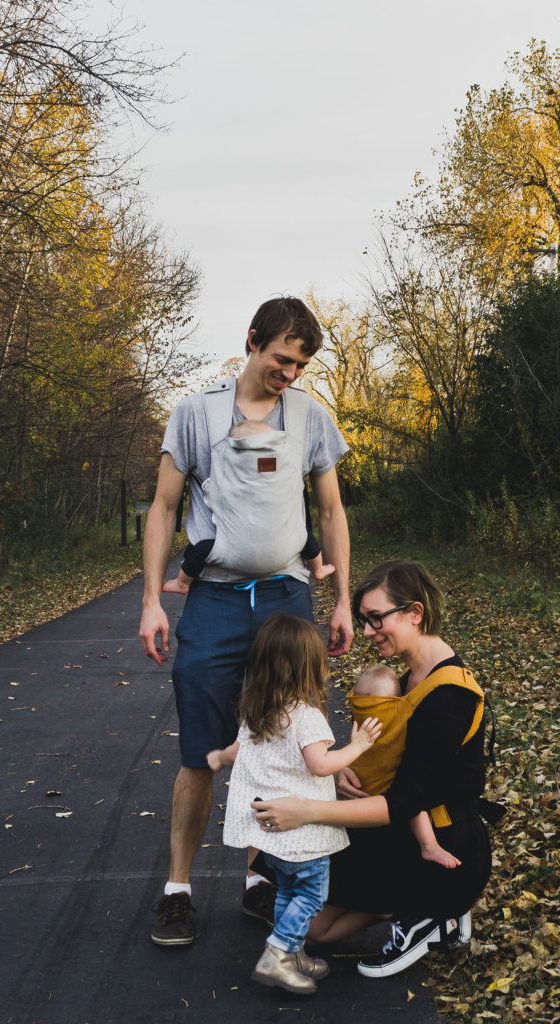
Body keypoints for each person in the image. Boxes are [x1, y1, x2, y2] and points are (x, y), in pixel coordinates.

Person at [139, 296, 354, 947]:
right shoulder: (195, 413)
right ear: (253, 341)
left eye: (299, 365)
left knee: (287, 744)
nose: (288, 374)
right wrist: (152, 599)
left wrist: (342, 596)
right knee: (201, 750)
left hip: (287, 601)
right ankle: (178, 891)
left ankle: (264, 879)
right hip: (216, 601)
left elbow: (332, 511)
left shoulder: (310, 416)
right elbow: (163, 505)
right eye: (280, 359)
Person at [252, 559, 500, 978]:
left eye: (375, 619)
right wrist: (337, 772)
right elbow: (380, 757)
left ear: (415, 613)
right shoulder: (405, 678)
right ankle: (419, 908)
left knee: (309, 914)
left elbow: (406, 800)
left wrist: (306, 810)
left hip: (441, 845)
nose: (367, 632)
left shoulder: (450, 696)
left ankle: (438, 908)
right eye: (365, 621)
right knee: (311, 927)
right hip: (396, 829)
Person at [206, 615, 381, 995]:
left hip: (276, 841)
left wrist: (219, 757)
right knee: (311, 896)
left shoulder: (258, 712)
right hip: (304, 838)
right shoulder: (307, 717)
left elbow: (238, 751)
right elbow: (321, 765)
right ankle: (278, 953)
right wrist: (356, 748)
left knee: (286, 892)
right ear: (309, 667)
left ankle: (295, 954)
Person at [162, 419, 334, 596]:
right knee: (304, 535)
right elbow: (297, 487)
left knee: (201, 549)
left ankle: (182, 583)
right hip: (282, 551)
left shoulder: (225, 483)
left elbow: (209, 491)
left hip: (232, 553)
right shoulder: (282, 477)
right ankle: (318, 569)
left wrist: (207, 484)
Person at [349, 665, 461, 869]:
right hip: (374, 791)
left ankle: (429, 845)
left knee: (411, 801)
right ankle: (429, 845)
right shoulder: (397, 720)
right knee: (414, 805)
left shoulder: (373, 727)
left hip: (372, 794)